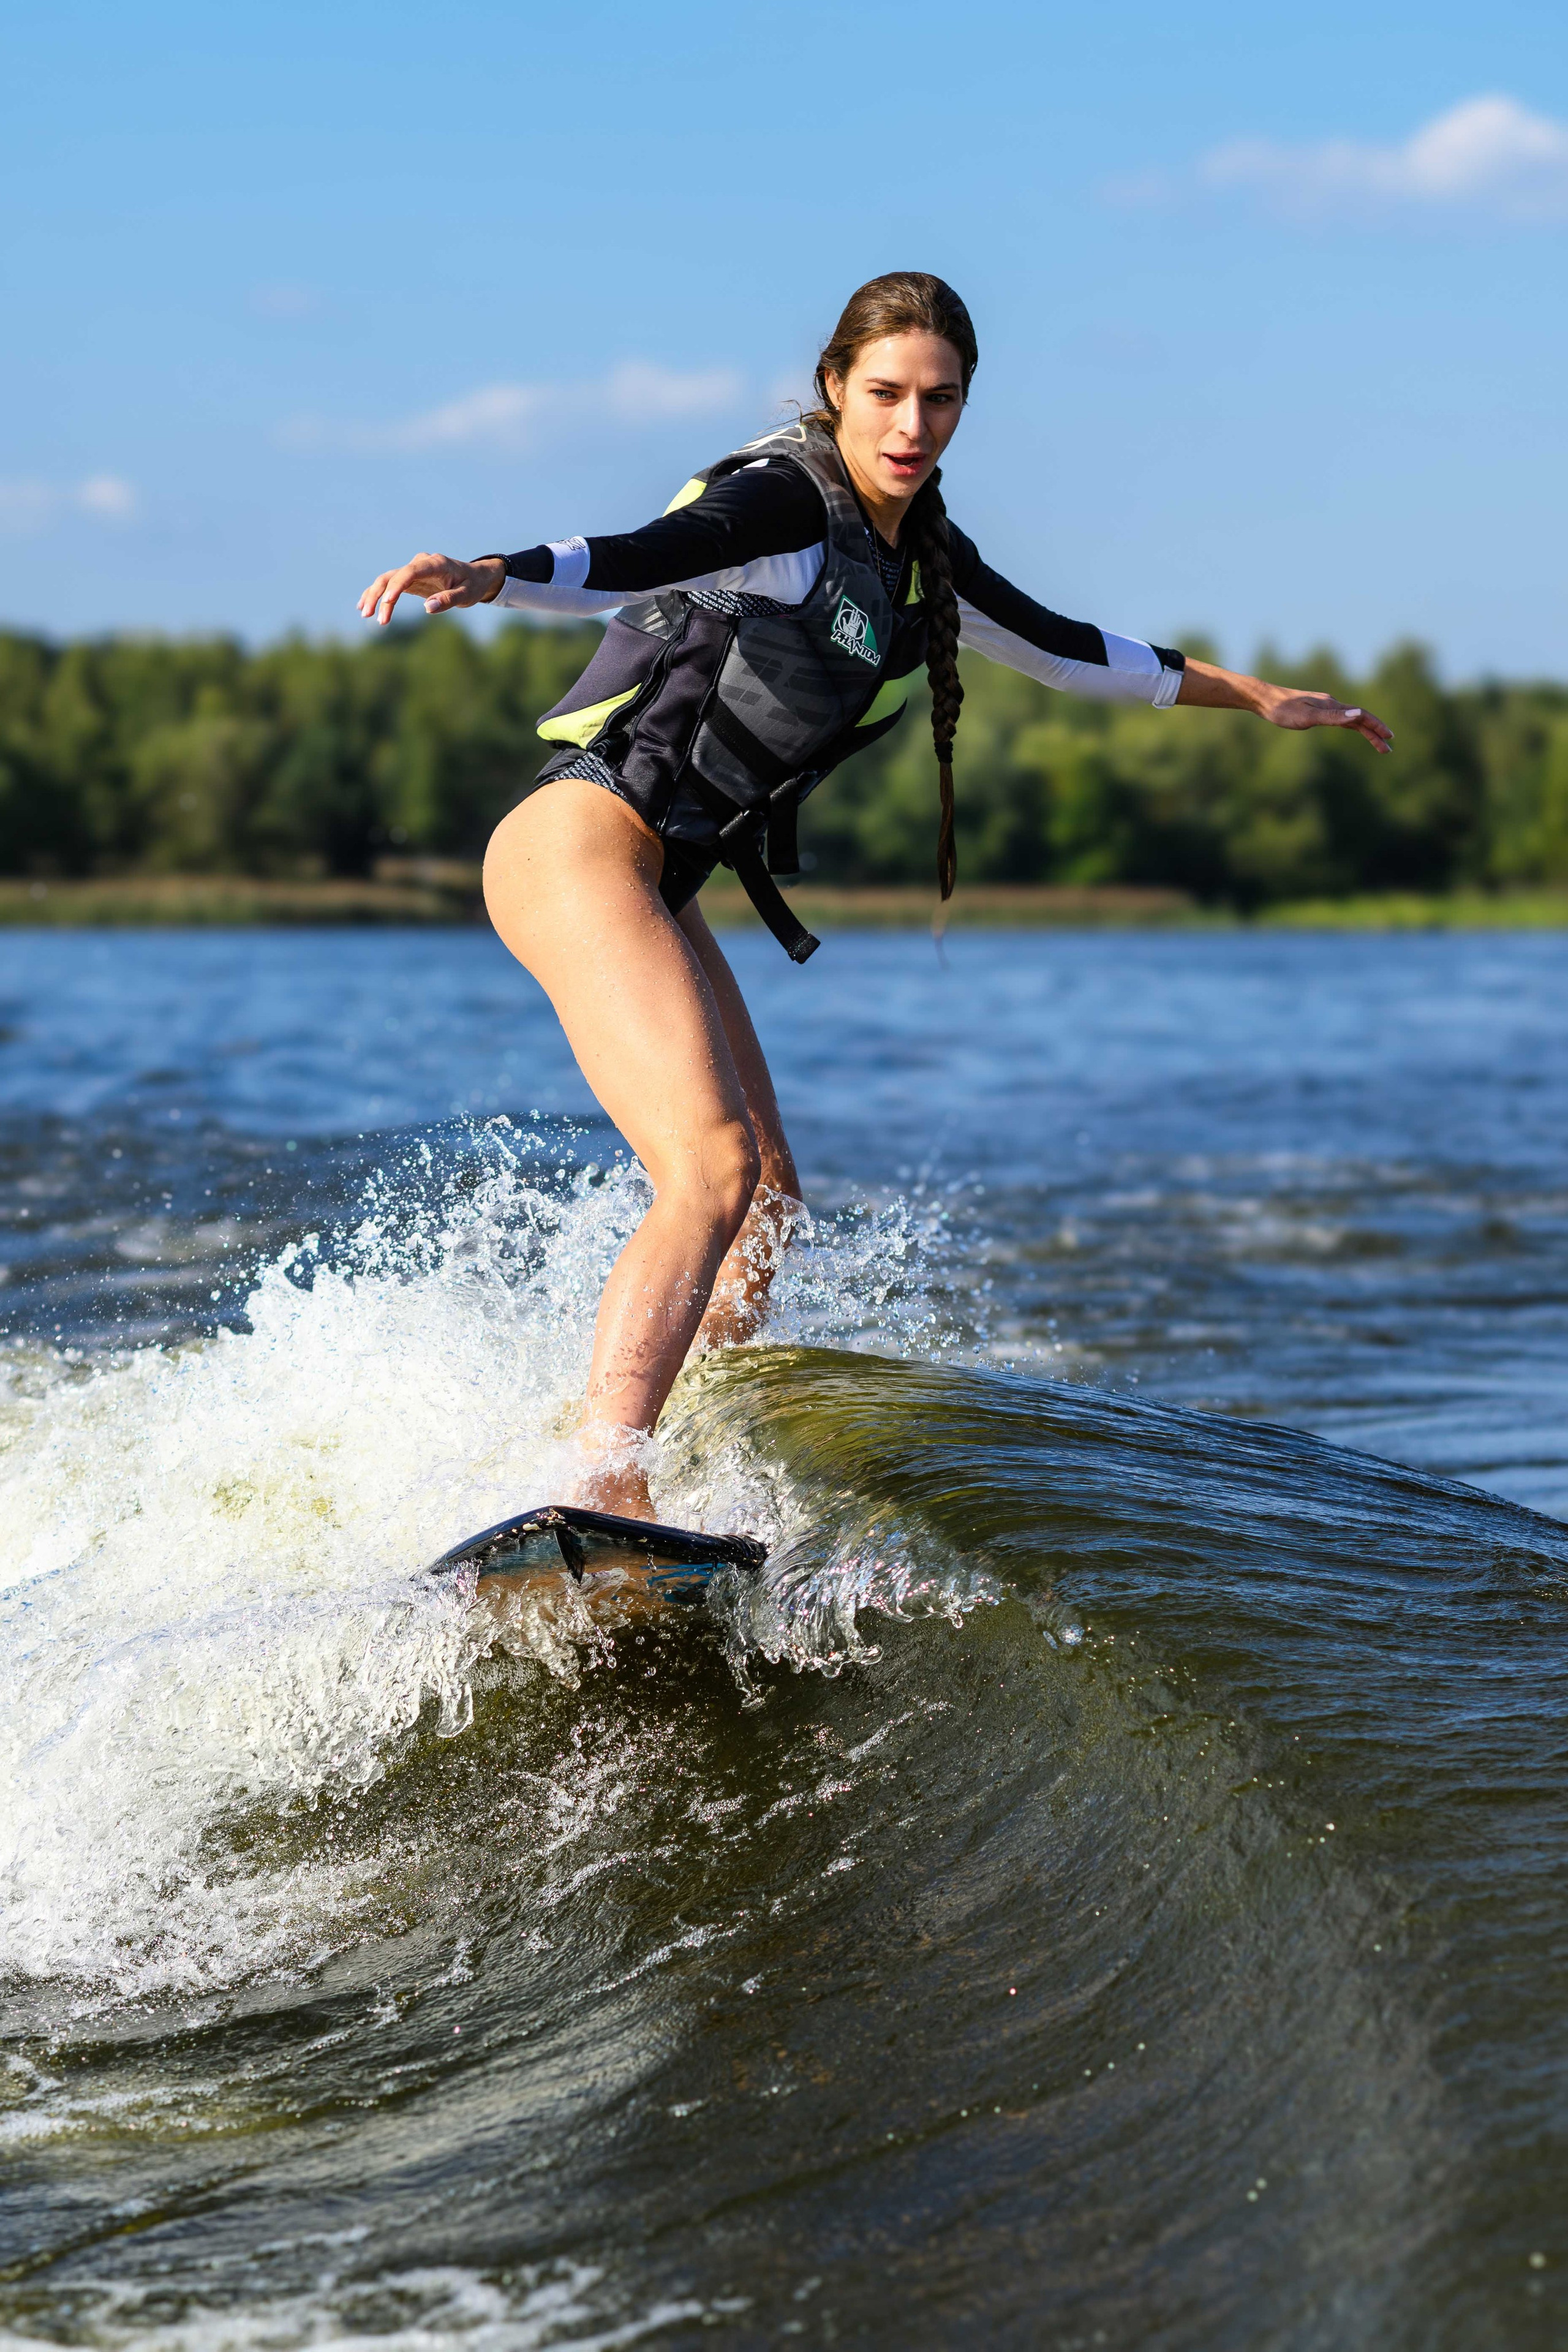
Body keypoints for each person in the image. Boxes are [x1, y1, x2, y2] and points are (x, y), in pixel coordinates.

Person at [359, 271, 1392, 1525]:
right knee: (712, 1167)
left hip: (659, 875)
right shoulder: (784, 503)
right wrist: (492, 574)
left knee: (767, 1211)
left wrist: (1264, 700)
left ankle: (671, 1455)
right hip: (579, 841)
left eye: (940, 401)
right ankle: (602, 1482)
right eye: (887, 394)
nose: (912, 426)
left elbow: (1069, 652)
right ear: (836, 386)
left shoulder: (918, 555)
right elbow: (640, 555)